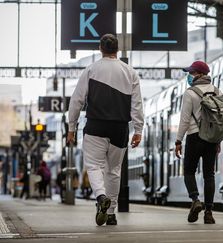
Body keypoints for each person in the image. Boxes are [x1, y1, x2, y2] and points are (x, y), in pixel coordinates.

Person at [67, 34, 143, 226]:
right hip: (120, 128)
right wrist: (138, 130)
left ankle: (101, 197)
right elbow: (137, 104)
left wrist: (71, 127)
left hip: (95, 126)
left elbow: (77, 100)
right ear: (117, 49)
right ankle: (111, 214)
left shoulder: (91, 69)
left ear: (100, 48)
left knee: (94, 166)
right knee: (114, 171)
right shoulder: (130, 72)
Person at [175, 61, 221, 224]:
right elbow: (220, 119)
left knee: (188, 171)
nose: (190, 75)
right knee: (209, 174)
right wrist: (218, 140)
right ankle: (209, 212)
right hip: (211, 138)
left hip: (194, 137)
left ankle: (195, 199)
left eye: (192, 72)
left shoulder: (190, 93)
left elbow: (185, 120)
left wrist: (178, 140)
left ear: (199, 74)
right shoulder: (216, 91)